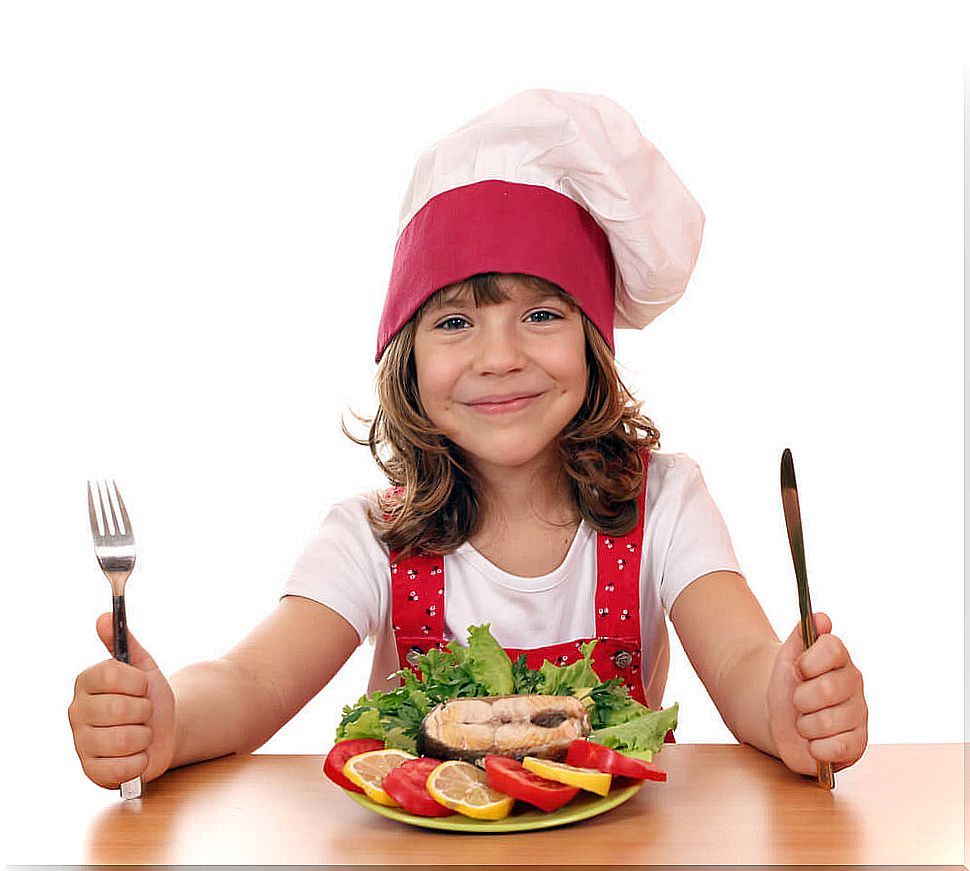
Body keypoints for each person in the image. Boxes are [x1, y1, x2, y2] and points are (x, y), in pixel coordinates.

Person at [68, 90, 868, 790]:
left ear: (594, 341)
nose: (499, 357)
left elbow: (741, 664)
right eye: (454, 321)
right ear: (406, 360)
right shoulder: (371, 535)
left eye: (542, 313)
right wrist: (165, 721)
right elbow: (248, 683)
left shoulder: (666, 501)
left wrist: (789, 702)